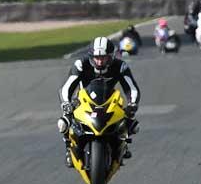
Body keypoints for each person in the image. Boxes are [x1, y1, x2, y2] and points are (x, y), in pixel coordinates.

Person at [59, 37, 141, 168]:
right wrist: (66, 103)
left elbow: (132, 88)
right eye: (97, 57)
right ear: (91, 56)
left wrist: (132, 104)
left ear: (111, 56)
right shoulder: (80, 64)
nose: (100, 61)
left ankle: (123, 145)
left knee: (131, 121)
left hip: (109, 100)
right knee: (64, 121)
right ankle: (69, 148)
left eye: (104, 57)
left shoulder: (120, 66)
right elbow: (66, 87)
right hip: (82, 100)